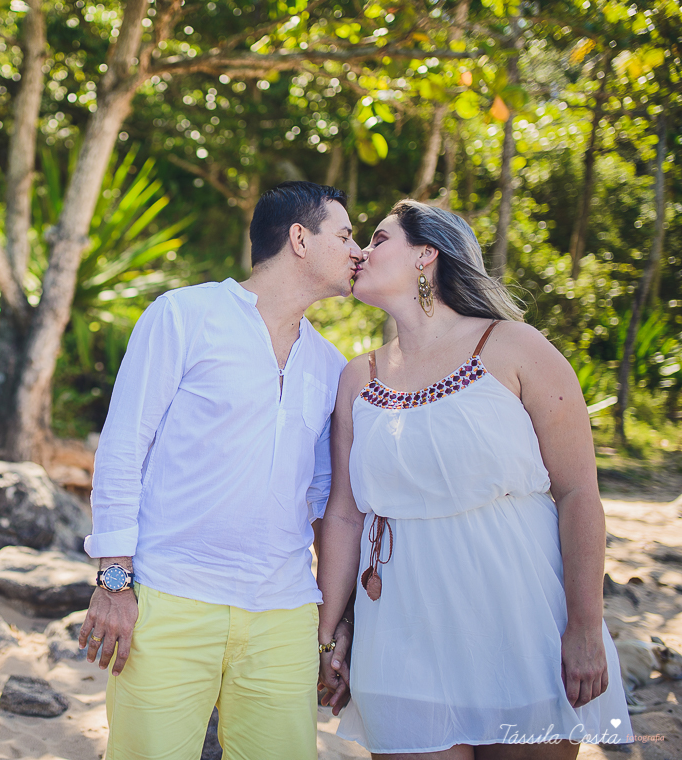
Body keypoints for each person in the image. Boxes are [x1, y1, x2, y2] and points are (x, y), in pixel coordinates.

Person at [315, 200, 631, 758]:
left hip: (517, 616)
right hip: (399, 627)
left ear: (426, 254)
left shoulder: (515, 347)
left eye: (379, 238)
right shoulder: (355, 377)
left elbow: (579, 492)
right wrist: (331, 629)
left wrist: (584, 623)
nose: (362, 251)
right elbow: (344, 514)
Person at [78, 181, 361, 760]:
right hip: (170, 598)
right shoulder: (183, 316)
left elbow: (328, 501)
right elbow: (123, 448)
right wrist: (113, 583)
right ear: (300, 239)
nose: (358, 251)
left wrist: (332, 628)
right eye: (347, 234)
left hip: (283, 613)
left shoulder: (332, 366)